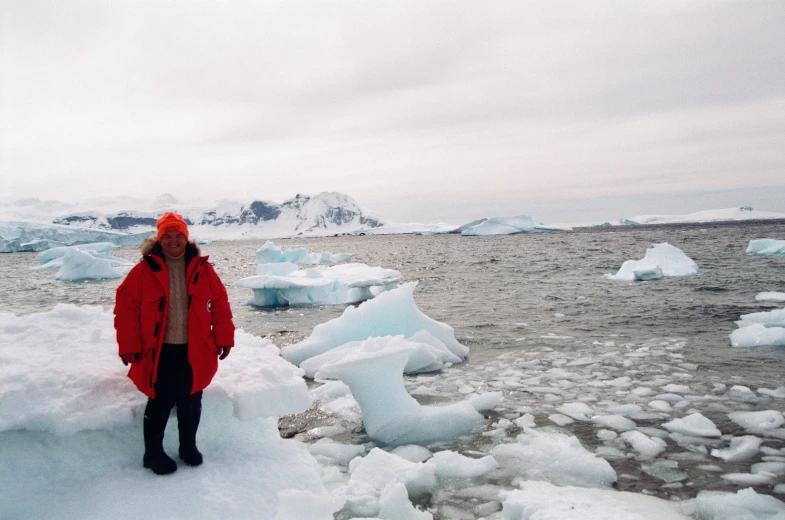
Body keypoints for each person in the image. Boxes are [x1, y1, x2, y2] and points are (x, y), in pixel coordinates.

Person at [114, 211, 235, 475]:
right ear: (159, 239)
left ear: (186, 238)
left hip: (196, 348)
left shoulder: (204, 270)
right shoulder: (143, 270)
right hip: (160, 350)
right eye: (167, 236)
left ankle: (187, 446)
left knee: (192, 397)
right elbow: (125, 310)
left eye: (178, 235)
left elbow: (220, 306)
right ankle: (152, 453)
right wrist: (129, 345)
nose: (173, 241)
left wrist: (224, 337)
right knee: (160, 398)